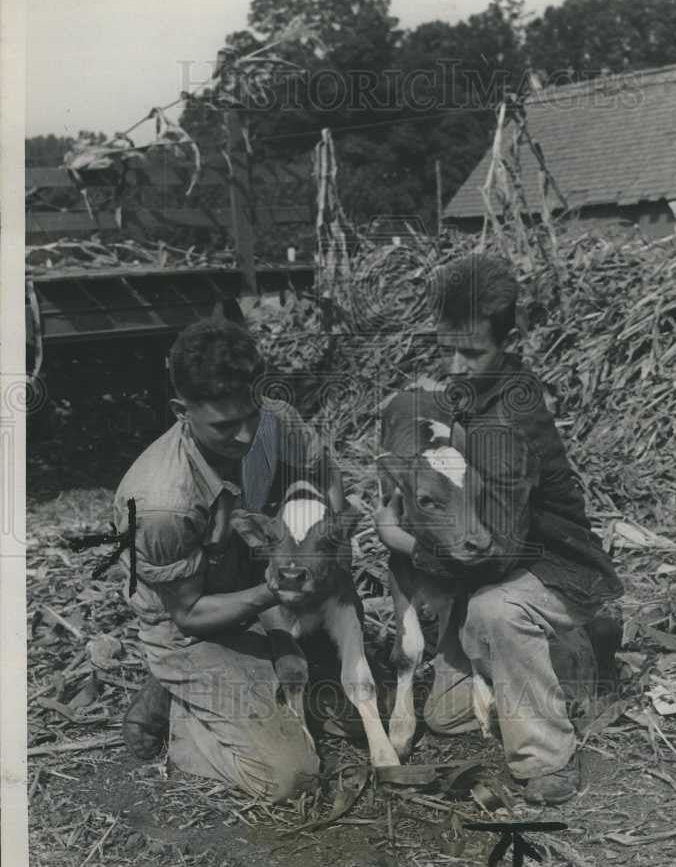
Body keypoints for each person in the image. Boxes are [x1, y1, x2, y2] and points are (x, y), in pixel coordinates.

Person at [373, 253, 623, 805]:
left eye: (472, 351)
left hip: (551, 565)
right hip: (495, 560)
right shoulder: (474, 390)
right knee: (446, 717)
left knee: (495, 613)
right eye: (447, 350)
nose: (456, 366)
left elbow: (494, 553)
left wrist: (398, 537)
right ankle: (556, 660)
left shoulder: (509, 424)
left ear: (509, 339)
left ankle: (548, 756)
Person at [115, 317, 345, 801]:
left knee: (349, 702)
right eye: (224, 426)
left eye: (250, 416)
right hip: (195, 623)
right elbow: (189, 613)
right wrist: (275, 590)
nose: (244, 437)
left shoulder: (275, 420)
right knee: (291, 777)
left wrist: (320, 544)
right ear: (182, 411)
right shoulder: (162, 502)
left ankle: (243, 677)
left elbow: (325, 475)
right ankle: (181, 712)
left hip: (267, 586)